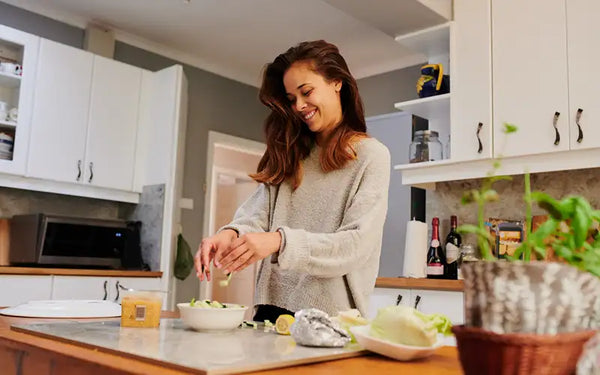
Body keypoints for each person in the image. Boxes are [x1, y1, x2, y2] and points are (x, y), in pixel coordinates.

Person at [195, 40, 391, 323]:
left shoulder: (371, 156)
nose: (299, 105)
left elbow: (355, 245)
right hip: (269, 310)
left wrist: (279, 241)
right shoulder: (291, 152)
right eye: (291, 98)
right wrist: (230, 235)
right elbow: (256, 216)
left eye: (306, 91)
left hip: (331, 318)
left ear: (337, 82)